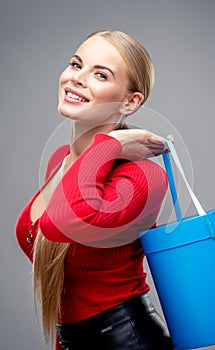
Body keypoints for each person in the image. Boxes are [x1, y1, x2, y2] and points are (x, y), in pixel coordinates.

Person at [15, 30, 174, 349]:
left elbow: (60, 223)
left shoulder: (143, 177)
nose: (77, 78)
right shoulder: (60, 163)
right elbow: (64, 293)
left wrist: (112, 144)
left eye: (100, 74)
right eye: (76, 65)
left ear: (130, 101)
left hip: (128, 341)